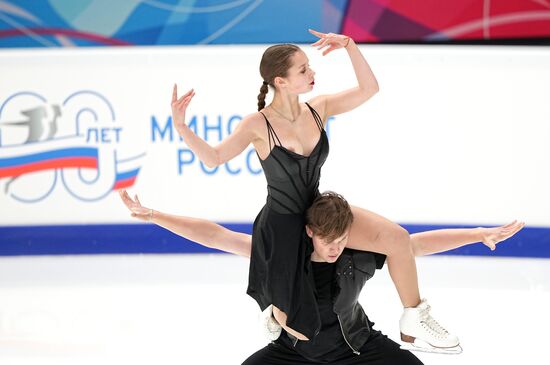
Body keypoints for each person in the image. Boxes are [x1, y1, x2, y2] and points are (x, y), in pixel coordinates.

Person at [171, 28, 467, 352]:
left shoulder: (319, 108)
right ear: (280, 81)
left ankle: (414, 316)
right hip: (283, 224)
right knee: (301, 329)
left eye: (309, 66)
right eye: (303, 70)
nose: (312, 73)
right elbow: (214, 158)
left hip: (319, 212)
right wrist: (182, 127)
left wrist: (350, 46)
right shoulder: (257, 124)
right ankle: (275, 307)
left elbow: (370, 88)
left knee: (396, 239)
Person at [119, 189, 524, 363]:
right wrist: (153, 215)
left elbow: (414, 245)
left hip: (358, 349)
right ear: (310, 231)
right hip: (293, 353)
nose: (335, 248)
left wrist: (478, 234)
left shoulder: (357, 255)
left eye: (342, 239)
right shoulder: (285, 256)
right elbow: (217, 236)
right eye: (327, 240)